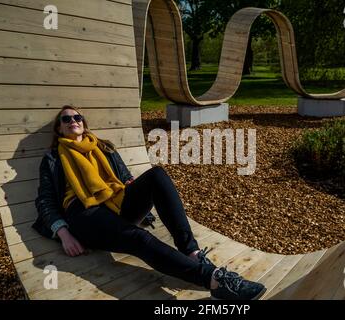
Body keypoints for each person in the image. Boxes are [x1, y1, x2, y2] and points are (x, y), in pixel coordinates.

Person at [32, 105, 266, 300]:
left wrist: (137, 188)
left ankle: (192, 252)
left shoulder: (104, 147)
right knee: (139, 238)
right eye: (66, 118)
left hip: (116, 202)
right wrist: (62, 232)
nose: (73, 120)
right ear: (59, 128)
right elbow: (45, 200)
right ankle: (215, 280)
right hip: (84, 214)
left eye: (77, 117)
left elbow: (124, 178)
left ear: (83, 123)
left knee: (157, 175)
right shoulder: (53, 158)